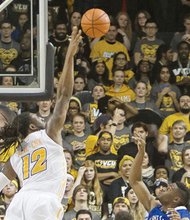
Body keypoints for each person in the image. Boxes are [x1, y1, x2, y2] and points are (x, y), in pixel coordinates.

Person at [0, 26, 82, 220]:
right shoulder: (49, 134)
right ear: (32, 126)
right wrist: (69, 56)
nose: (42, 117)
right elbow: (63, 96)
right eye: (37, 118)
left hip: (19, 202)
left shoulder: (16, 154)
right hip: (44, 201)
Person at [129, 132, 190, 219]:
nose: (163, 188)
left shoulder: (181, 211)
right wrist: (141, 152)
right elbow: (135, 181)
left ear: (176, 199)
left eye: (169, 188)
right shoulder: (153, 205)